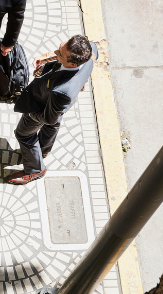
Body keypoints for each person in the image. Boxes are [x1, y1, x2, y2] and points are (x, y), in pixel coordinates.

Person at [6, 35, 97, 184]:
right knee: (54, 122)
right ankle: (43, 150)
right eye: (60, 47)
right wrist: (44, 59)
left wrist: (30, 113)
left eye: (60, 54)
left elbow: (48, 118)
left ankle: (36, 169)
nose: (55, 53)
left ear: (73, 64)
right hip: (61, 103)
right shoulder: (90, 48)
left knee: (23, 134)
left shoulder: (62, 91)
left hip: (42, 105)